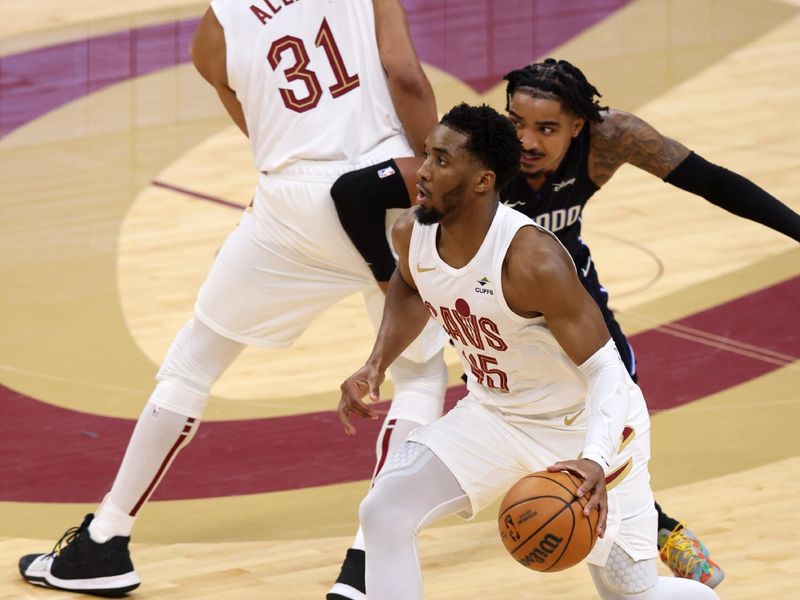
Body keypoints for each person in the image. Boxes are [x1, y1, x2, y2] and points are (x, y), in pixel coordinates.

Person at [18, 0, 452, 596]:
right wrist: (438, 176)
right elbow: (405, 77)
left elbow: (258, 123)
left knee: (195, 360)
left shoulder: (210, 35)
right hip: (388, 184)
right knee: (421, 376)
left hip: (292, 203)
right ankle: (371, 565)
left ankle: (105, 541)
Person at [328, 58, 800, 596]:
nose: (424, 170)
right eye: (517, 124)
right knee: (385, 509)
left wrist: (596, 459)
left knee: (632, 593)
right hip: (497, 413)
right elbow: (411, 287)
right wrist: (375, 363)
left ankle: (653, 525)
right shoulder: (416, 231)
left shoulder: (538, 250)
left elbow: (610, 377)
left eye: (438, 158)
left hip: (577, 422)